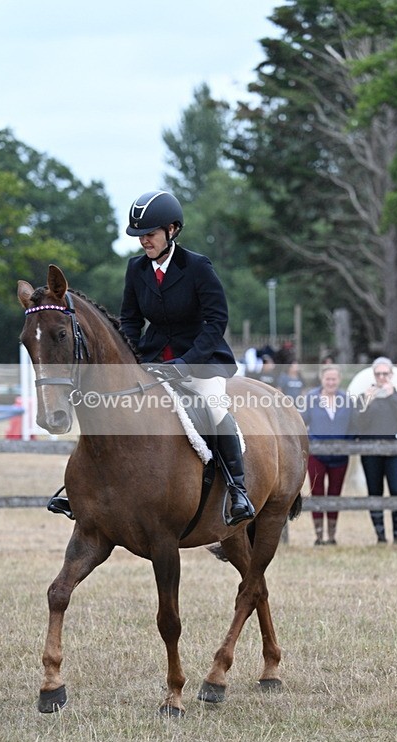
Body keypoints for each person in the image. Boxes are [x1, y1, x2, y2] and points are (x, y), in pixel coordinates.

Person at [119, 189, 254, 525]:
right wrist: (130, 358)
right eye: (139, 236)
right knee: (111, 405)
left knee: (213, 405)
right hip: (153, 360)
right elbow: (131, 321)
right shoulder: (136, 269)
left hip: (199, 361)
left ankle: (237, 489)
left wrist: (187, 362)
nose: (143, 242)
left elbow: (216, 321)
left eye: (149, 234)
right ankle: (86, 490)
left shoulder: (196, 266)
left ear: (172, 230)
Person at [350, 357, 397, 545]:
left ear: (391, 375)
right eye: (378, 374)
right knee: (374, 492)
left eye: (385, 374)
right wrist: (367, 404)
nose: (381, 377)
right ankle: (380, 536)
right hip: (371, 454)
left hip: (395, 453)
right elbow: (358, 423)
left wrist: (391, 395)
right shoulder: (365, 397)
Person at [301, 364, 352, 545]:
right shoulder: (311, 398)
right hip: (316, 455)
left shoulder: (347, 400)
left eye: (334, 379)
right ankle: (319, 535)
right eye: (327, 379)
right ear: (322, 379)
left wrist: (348, 443)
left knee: (334, 494)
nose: (331, 382)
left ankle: (331, 535)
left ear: (339, 380)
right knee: (317, 492)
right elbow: (301, 422)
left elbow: (353, 425)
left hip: (340, 456)